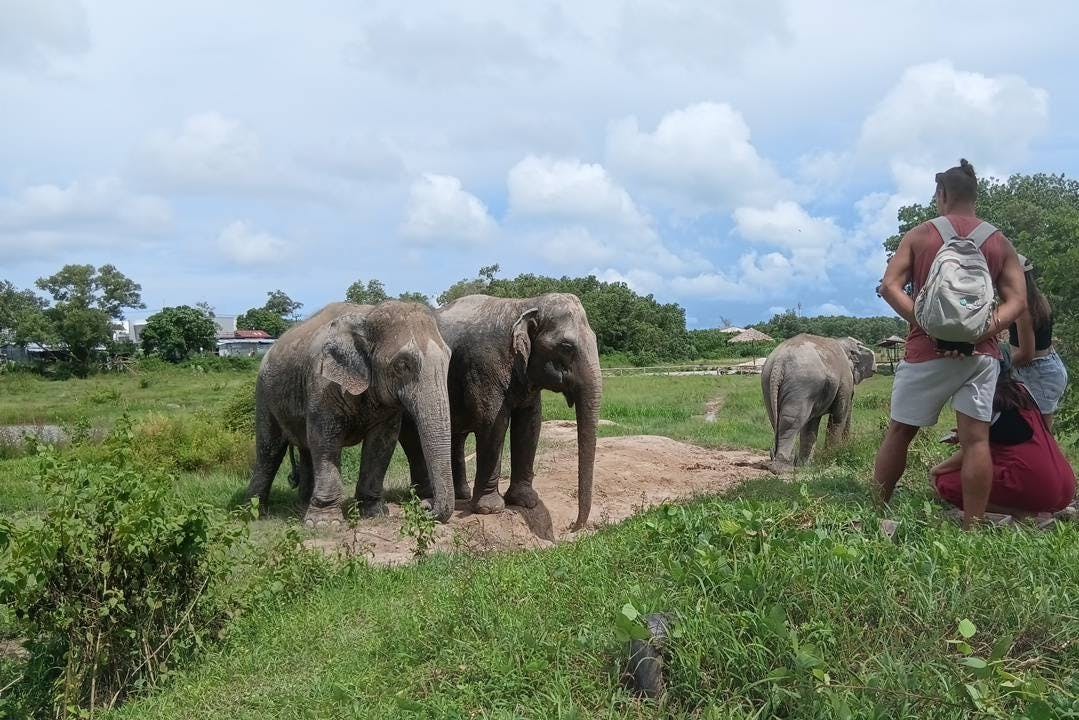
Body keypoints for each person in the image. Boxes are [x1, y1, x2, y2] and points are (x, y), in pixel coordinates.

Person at [874, 159, 1028, 528]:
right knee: (976, 441)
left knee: (901, 432)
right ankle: (972, 525)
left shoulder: (921, 235)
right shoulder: (998, 241)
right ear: (975, 197)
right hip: (981, 355)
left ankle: (877, 509)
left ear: (942, 194)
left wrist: (929, 327)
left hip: (925, 352)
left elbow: (889, 287)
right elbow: (1019, 301)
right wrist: (982, 331)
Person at [932, 369, 1075, 515]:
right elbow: (1010, 434)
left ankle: (1022, 513)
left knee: (946, 483)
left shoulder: (981, 397)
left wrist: (936, 470)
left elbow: (970, 452)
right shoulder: (1020, 390)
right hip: (1065, 486)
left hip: (1036, 486)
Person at [1008, 255, 1068, 431]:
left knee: (1041, 433)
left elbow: (1027, 354)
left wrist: (1000, 363)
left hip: (1038, 374)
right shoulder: (1038, 299)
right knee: (1039, 430)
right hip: (1047, 369)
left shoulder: (1023, 309)